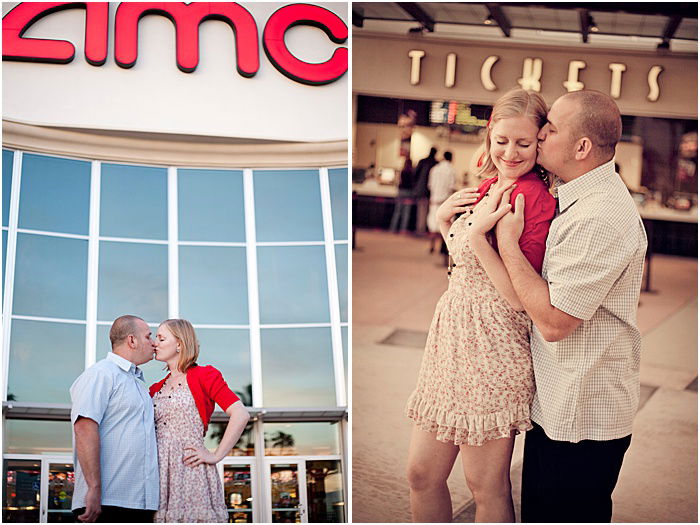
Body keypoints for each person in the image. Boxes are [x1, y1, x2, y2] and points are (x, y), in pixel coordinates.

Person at [494, 90, 647, 523]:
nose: (540, 135)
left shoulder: (601, 215)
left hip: (582, 417)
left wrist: (507, 242)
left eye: (551, 129)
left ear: (582, 148)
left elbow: (555, 321)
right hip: (560, 404)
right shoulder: (572, 196)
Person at [405, 88, 556, 523]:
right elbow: (463, 267)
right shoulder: (489, 186)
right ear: (489, 135)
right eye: (502, 140)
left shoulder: (533, 199)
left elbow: (516, 298)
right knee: (420, 474)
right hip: (451, 341)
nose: (510, 152)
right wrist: (444, 222)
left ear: (541, 141)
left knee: (485, 486)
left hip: (493, 347)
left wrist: (474, 238)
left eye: (524, 143)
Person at [149, 318, 250, 522]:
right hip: (158, 472)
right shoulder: (154, 388)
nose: (154, 343)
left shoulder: (205, 375)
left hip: (190, 468)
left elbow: (241, 414)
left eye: (161, 338)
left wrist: (216, 455)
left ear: (179, 344)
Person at [70, 315, 159, 523]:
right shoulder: (101, 374)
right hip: (106, 504)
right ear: (132, 340)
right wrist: (94, 488)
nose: (153, 342)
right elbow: (84, 428)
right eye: (148, 337)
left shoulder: (137, 383)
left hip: (139, 504)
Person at [426, 150, 456, 254]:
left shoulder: (434, 169)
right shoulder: (451, 170)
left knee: (433, 225)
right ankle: (442, 249)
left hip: (434, 201)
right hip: (445, 202)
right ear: (451, 158)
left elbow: (430, 185)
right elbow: (451, 187)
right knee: (445, 225)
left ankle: (432, 246)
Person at [412, 147, 439, 234]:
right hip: (430, 192)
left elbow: (415, 175)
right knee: (429, 212)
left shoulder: (422, 161)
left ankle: (420, 229)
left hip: (420, 190)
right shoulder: (436, 163)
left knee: (421, 211)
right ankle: (424, 230)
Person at [389, 157, 415, 233]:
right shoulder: (412, 172)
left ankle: (393, 229)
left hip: (401, 191)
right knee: (406, 213)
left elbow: (398, 181)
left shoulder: (402, 171)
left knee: (397, 211)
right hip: (409, 192)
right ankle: (403, 230)